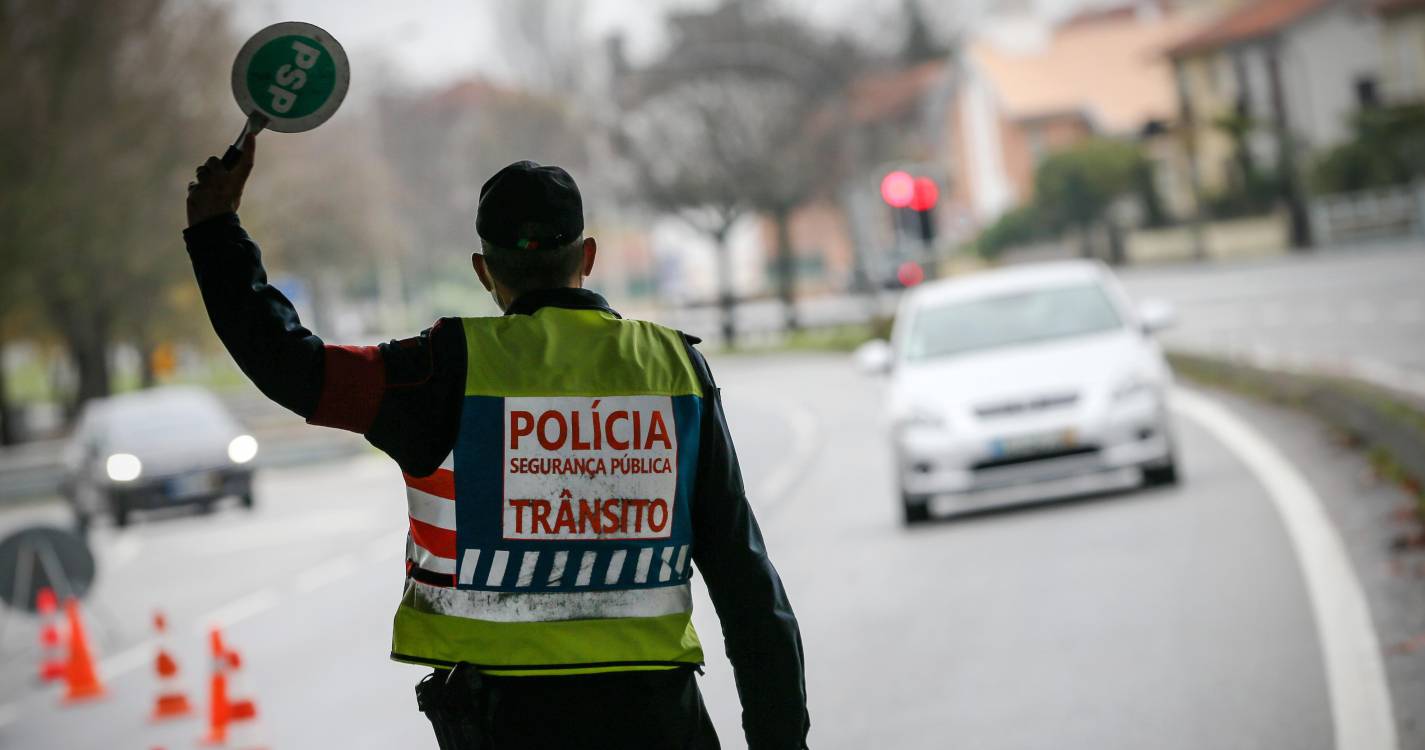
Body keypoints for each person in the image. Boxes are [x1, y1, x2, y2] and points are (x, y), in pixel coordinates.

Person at [183, 134, 809, 749]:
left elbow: (295, 367)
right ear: (586, 256)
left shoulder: (440, 371)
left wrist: (217, 231)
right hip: (661, 723)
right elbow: (747, 585)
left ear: (484, 271)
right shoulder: (676, 371)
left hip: (504, 725)